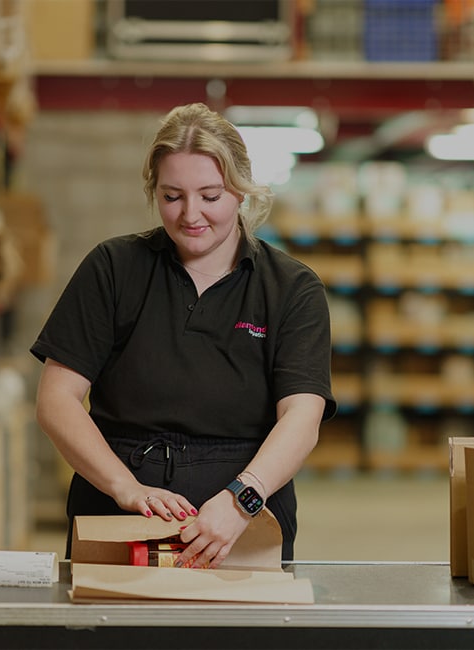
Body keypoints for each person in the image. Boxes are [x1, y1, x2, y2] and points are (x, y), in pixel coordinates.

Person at [30, 103, 336, 569]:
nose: (191, 215)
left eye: (210, 196)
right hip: (117, 515)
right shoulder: (113, 269)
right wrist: (125, 488)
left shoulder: (291, 288)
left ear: (241, 191)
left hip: (240, 525)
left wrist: (240, 500)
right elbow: (57, 399)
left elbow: (302, 415)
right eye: (173, 196)